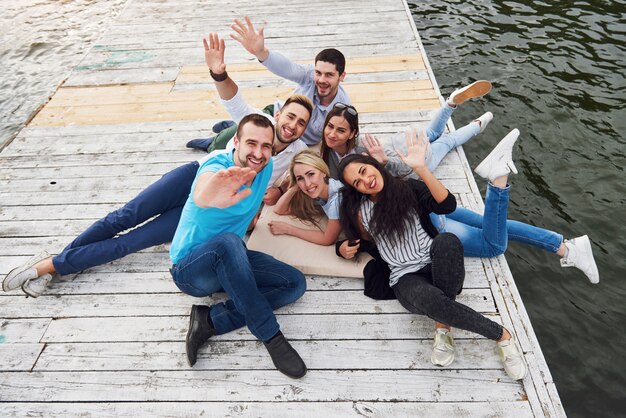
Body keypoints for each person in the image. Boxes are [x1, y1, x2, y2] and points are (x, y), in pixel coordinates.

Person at [2, 36, 315, 298]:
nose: (292, 126)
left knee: (134, 241)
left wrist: (277, 191)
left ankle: (52, 264)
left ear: (304, 129)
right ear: (279, 113)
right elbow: (234, 101)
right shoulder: (259, 125)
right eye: (290, 117)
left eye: (301, 123)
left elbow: (308, 175)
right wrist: (218, 73)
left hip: (204, 211)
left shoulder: (298, 153)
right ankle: (54, 263)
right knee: (123, 217)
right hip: (193, 178)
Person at [336, 128, 527, 380]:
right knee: (431, 299)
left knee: (447, 240)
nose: (366, 181)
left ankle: (442, 326)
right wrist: (340, 249)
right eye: (357, 183)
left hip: (434, 260)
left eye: (363, 171)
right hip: (405, 278)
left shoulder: (407, 187)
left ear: (372, 164)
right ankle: (502, 336)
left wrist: (422, 168)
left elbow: (447, 205)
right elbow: (350, 241)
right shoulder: (358, 211)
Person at [169, 113, 307, 379]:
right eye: (251, 144)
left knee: (294, 283)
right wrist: (207, 196)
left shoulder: (264, 168)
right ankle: (271, 336)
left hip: (230, 257)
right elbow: (203, 190)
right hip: (190, 270)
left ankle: (209, 321)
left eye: (266, 146)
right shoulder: (216, 167)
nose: (258, 152)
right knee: (230, 243)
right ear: (236, 141)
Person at [318, 81, 494, 179]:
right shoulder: (326, 151)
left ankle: (478, 124)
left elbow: (405, 166)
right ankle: (450, 103)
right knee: (432, 134)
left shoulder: (365, 147)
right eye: (330, 127)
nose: (332, 134)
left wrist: (385, 162)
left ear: (352, 134)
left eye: (340, 130)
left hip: (414, 162)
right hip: (403, 141)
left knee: (448, 141)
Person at [222, 16, 351, 146]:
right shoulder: (309, 75)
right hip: (277, 119)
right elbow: (287, 68)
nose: (321, 80)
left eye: (329, 75)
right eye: (318, 73)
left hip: (298, 143)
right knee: (224, 140)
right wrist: (261, 52)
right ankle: (221, 133)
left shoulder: (343, 107)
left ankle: (228, 126)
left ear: (341, 76)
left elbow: (344, 138)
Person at [269, 150, 342, 245]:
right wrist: (295, 187)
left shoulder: (336, 199)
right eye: (300, 178)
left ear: (323, 172)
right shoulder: (321, 195)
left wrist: (288, 229)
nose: (307, 184)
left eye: (311, 174)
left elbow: (327, 239)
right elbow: (279, 209)